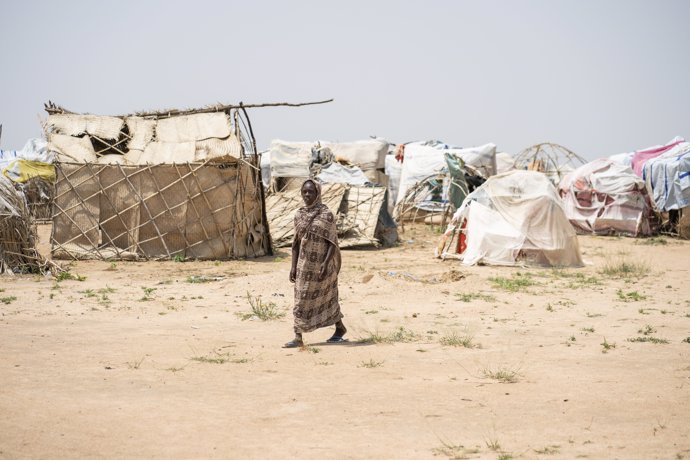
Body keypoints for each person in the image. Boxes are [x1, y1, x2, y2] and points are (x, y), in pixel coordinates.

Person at [283, 179, 347, 348]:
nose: (307, 195)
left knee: (328, 299)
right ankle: (298, 336)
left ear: (318, 193)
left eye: (311, 192)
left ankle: (340, 328)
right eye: (304, 192)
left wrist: (325, 264)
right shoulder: (299, 215)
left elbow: (332, 242)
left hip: (323, 267)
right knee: (300, 299)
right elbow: (296, 243)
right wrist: (293, 266)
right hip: (304, 267)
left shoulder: (326, 215)